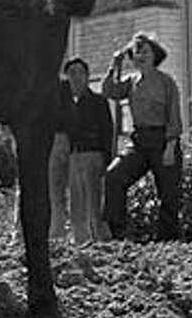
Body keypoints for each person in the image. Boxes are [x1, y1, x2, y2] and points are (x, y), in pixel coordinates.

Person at [102, 33, 184, 241]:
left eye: (145, 51)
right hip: (139, 141)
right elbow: (109, 90)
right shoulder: (130, 82)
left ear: (154, 54)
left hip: (163, 140)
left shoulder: (167, 82)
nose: (140, 56)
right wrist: (115, 65)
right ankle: (118, 232)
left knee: (168, 193)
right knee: (114, 176)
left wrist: (170, 146)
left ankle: (169, 240)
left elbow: (174, 116)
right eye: (136, 52)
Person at [49, 58, 114, 244]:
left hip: (92, 154)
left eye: (80, 72)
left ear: (87, 76)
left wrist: (107, 158)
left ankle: (100, 239)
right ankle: (78, 240)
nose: (76, 77)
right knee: (76, 202)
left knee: (93, 200)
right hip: (73, 156)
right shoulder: (62, 103)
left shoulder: (98, 102)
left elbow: (107, 130)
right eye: (72, 73)